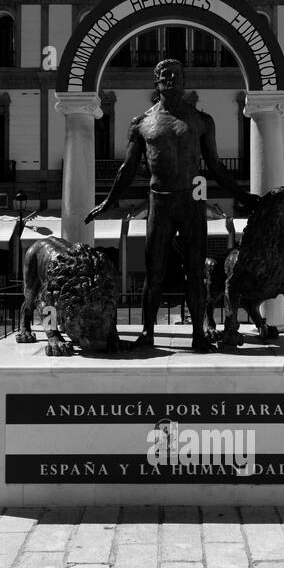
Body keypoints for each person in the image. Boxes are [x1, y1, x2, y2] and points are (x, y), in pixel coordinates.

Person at [86, 59, 257, 352]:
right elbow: (127, 168)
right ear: (156, 80)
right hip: (159, 200)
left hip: (192, 200)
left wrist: (243, 196)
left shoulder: (202, 120)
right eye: (164, 74)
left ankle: (199, 334)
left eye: (176, 74)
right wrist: (108, 201)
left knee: (195, 271)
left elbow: (215, 167)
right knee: (155, 272)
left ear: (184, 79)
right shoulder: (141, 123)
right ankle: (148, 333)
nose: (170, 78)